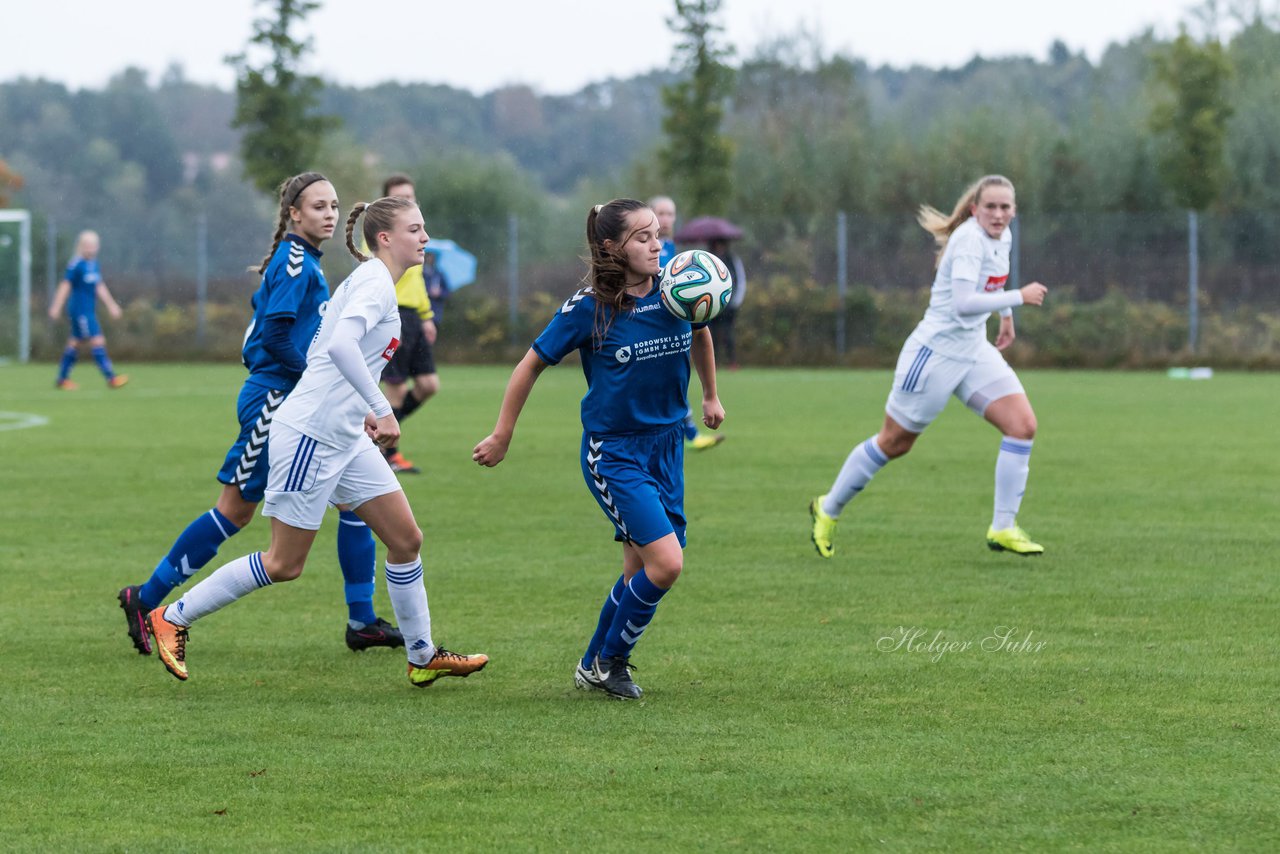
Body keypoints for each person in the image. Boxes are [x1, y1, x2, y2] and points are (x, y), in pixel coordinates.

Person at [145, 195, 489, 687]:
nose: (426, 237)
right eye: (416, 229)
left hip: (343, 436)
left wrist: (358, 410)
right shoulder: (374, 282)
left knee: (406, 539)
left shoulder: (378, 282)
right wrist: (380, 405)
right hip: (310, 435)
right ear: (385, 238)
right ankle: (172, 617)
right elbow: (340, 346)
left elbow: (334, 353)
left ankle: (422, 654)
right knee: (285, 563)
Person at [116, 173, 403, 659]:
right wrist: (312, 383)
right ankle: (144, 600)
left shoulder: (304, 261)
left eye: (334, 205)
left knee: (356, 501)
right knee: (235, 510)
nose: (330, 214)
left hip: (300, 403)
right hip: (275, 401)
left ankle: (362, 620)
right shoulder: (295, 263)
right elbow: (272, 338)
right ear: (293, 213)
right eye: (317, 206)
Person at [473, 198, 724, 700]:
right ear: (611, 247)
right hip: (615, 455)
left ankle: (592, 663)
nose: (656, 244)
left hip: (668, 446)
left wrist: (711, 395)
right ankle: (613, 661)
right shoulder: (589, 307)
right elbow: (530, 364)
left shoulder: (677, 289)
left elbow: (701, 331)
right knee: (667, 565)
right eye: (642, 237)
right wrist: (503, 432)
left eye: (657, 234)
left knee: (639, 570)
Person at [809, 174, 1049, 558]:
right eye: (991, 206)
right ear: (975, 209)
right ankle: (828, 507)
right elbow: (964, 303)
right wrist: (1019, 297)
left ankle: (1003, 527)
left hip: (973, 350)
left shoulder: (1001, 236)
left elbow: (994, 280)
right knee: (895, 443)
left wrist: (1006, 314)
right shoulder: (969, 239)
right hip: (934, 354)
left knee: (1022, 426)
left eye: (1006, 207)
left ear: (1014, 210)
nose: (999, 214)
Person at [649, 194, 724, 452]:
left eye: (671, 213)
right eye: (661, 212)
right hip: (651, 327)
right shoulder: (648, 247)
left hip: (677, 323)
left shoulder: (671, 247)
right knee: (665, 380)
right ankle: (689, 433)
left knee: (674, 378)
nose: (666, 218)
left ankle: (689, 432)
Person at [376, 173, 439, 474]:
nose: (408, 202)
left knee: (428, 385)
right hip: (394, 314)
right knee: (396, 388)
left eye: (411, 197)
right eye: (401, 198)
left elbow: (419, 283)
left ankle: (381, 434)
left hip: (415, 316)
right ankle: (388, 454)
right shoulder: (382, 236)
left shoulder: (415, 241)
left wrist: (426, 317)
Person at [47, 230, 128, 390]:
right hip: (80, 311)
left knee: (75, 343)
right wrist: (56, 306)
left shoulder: (94, 265)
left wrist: (111, 305)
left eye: (93, 245)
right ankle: (111, 378)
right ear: (81, 246)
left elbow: (99, 286)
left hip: (88, 311)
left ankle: (62, 379)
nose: (90, 249)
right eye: (87, 245)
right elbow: (65, 285)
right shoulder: (76, 265)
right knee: (97, 340)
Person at [706, 236, 747, 370]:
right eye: (716, 244)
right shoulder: (707, 259)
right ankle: (713, 363)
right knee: (711, 335)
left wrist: (735, 302)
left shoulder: (733, 260)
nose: (719, 246)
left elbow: (740, 281)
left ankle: (732, 362)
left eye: (721, 244)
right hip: (710, 305)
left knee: (728, 334)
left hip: (729, 306)